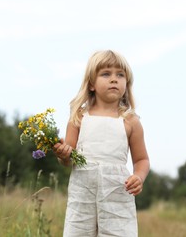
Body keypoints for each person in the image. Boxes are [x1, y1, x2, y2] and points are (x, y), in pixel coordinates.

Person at [53, 50, 150, 237]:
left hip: (118, 194)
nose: (114, 79)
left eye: (120, 75)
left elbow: (142, 160)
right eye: (106, 74)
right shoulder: (78, 118)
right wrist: (64, 155)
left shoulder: (130, 121)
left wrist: (139, 177)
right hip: (82, 195)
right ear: (91, 84)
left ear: (126, 83)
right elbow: (68, 160)